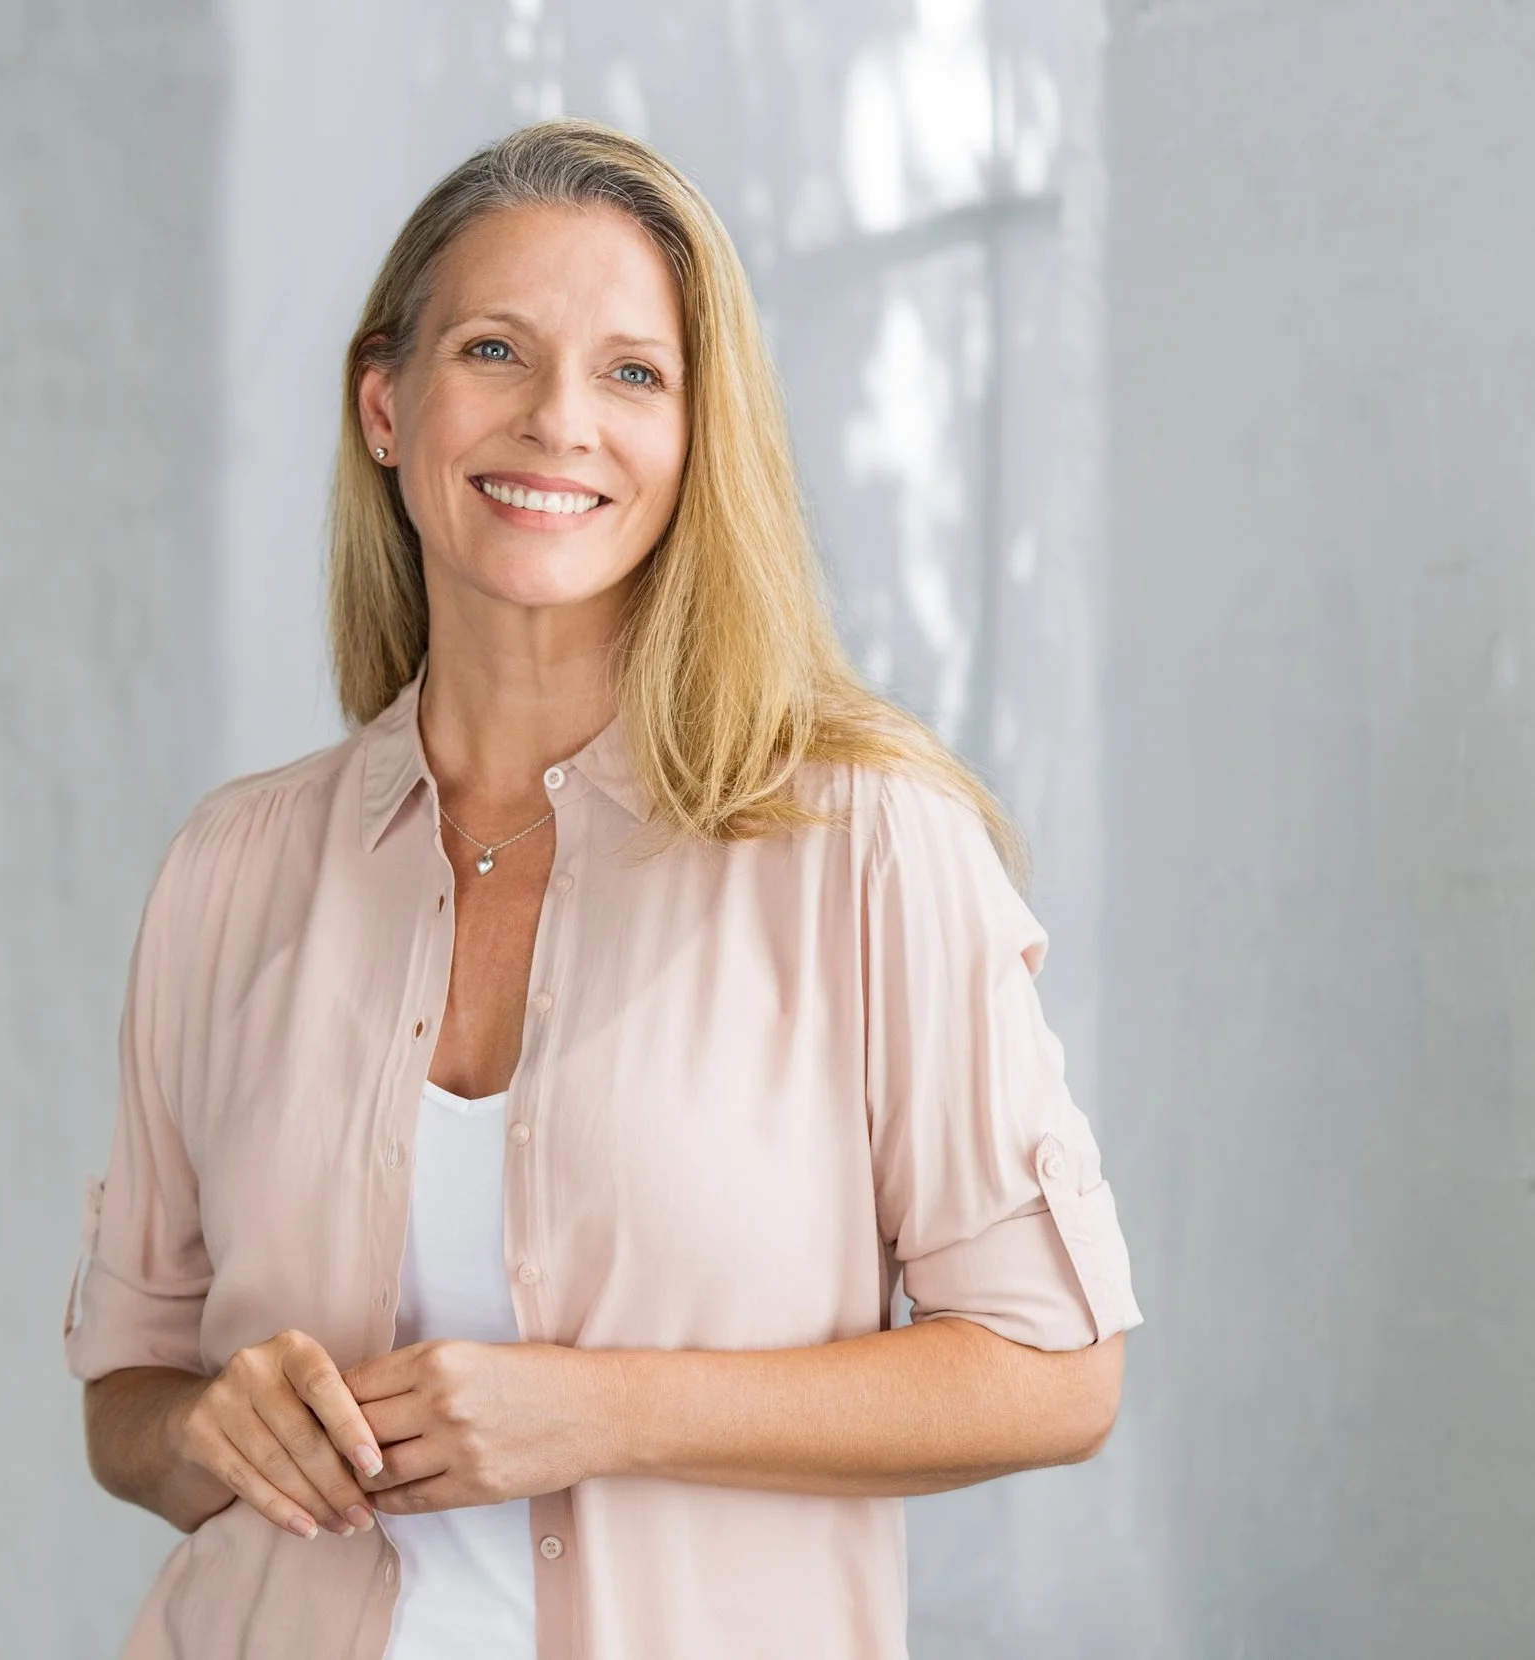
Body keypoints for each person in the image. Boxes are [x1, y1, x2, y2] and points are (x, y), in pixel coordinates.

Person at [63, 117, 1141, 1660]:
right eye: (496, 350)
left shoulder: (867, 846)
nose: (560, 418)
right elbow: (128, 1394)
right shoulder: (232, 873)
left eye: (634, 372)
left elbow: (1059, 1370)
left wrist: (603, 1411)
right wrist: (206, 1431)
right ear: (387, 404)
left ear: (700, 437)